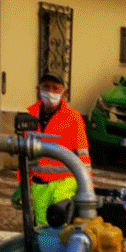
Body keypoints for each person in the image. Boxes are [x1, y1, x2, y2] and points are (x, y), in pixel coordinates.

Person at [12, 73, 92, 226]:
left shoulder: (73, 118)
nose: (50, 92)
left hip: (65, 183)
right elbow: (25, 154)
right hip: (39, 185)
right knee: (42, 229)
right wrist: (22, 183)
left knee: (61, 225)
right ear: (38, 89)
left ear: (64, 93)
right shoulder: (29, 116)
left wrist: (87, 188)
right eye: (46, 87)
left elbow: (83, 155)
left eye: (56, 88)